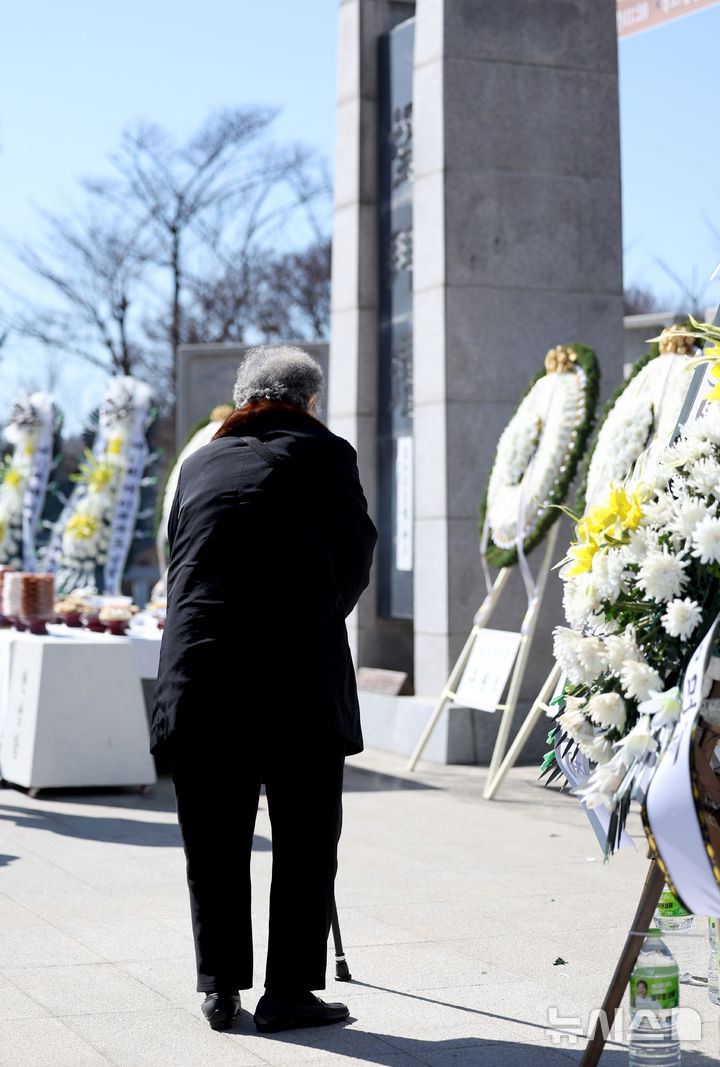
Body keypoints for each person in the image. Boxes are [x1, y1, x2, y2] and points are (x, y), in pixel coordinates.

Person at [150, 345, 377, 1033]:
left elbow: (178, 560)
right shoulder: (327, 454)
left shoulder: (199, 463)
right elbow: (355, 559)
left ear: (246, 399)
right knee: (305, 834)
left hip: (200, 672)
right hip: (295, 675)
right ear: (307, 402)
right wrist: (310, 615)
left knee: (214, 834)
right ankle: (289, 993)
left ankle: (220, 988)